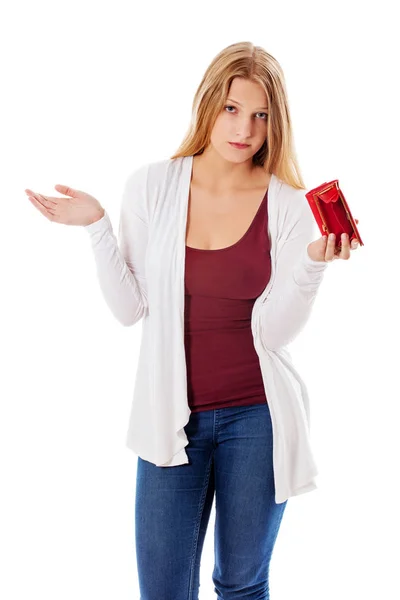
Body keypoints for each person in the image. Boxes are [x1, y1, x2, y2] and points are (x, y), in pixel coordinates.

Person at [25, 41, 359, 600]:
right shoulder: (152, 186)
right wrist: (97, 227)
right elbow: (129, 309)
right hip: (169, 419)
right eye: (232, 109)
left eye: (260, 115)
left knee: (242, 584)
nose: (244, 129)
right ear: (208, 105)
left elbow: (274, 334)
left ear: (275, 122)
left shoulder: (289, 206)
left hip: (258, 418)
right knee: (162, 590)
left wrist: (311, 266)